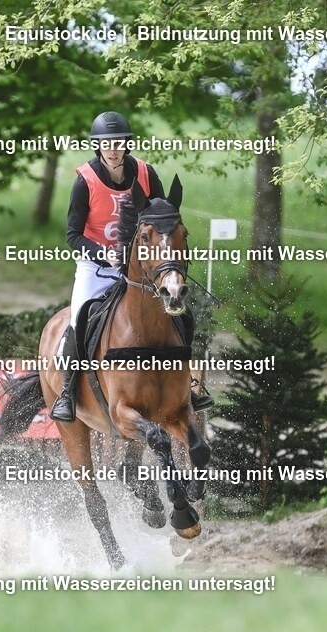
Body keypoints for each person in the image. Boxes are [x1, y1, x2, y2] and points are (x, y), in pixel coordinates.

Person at [50, 111, 212, 422]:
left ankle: (188, 385)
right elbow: (72, 234)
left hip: (142, 267)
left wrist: (167, 261)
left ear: (126, 145)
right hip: (97, 267)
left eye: (118, 143)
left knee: (181, 315)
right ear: (98, 147)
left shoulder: (146, 174)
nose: (113, 150)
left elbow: (163, 218)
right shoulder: (84, 181)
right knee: (80, 318)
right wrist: (103, 254)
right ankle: (67, 393)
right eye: (106, 144)